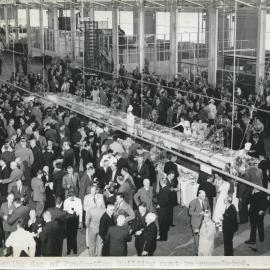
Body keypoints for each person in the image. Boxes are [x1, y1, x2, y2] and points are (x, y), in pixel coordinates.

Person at [189, 190, 210, 255]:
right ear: (199, 195)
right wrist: (199, 213)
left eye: (205, 195)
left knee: (203, 237)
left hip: (204, 222)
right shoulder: (193, 202)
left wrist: (207, 213)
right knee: (197, 238)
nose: (204, 197)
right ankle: (197, 252)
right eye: (203, 196)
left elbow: (208, 208)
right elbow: (190, 212)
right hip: (196, 223)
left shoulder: (206, 200)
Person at [63, 189, 83, 255]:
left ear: (74, 195)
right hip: (68, 219)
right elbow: (65, 211)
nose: (71, 198)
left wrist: (80, 221)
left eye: (72, 196)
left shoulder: (79, 200)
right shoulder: (66, 201)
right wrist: (70, 211)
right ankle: (69, 249)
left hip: (75, 218)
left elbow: (80, 211)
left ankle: (75, 249)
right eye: (70, 196)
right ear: (68, 196)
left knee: (74, 234)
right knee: (68, 235)